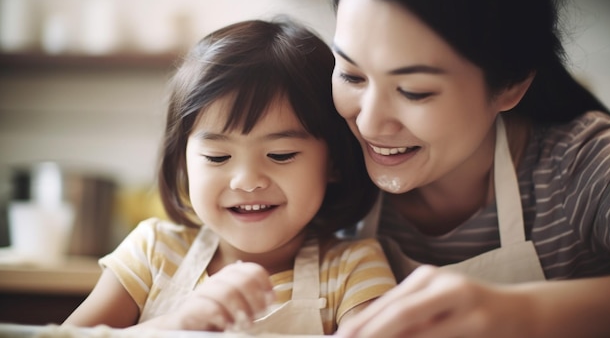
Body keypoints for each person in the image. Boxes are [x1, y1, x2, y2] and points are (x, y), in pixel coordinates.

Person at [328, 0, 610, 337]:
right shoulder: (320, 169)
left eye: (414, 91)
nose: (368, 123)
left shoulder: (588, 164)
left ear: (510, 86)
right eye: (351, 75)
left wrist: (522, 313)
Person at [63, 17, 396, 335]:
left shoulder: (353, 268)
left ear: (335, 162)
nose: (247, 181)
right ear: (183, 162)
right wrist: (180, 326)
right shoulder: (153, 253)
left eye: (280, 155)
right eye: (217, 157)